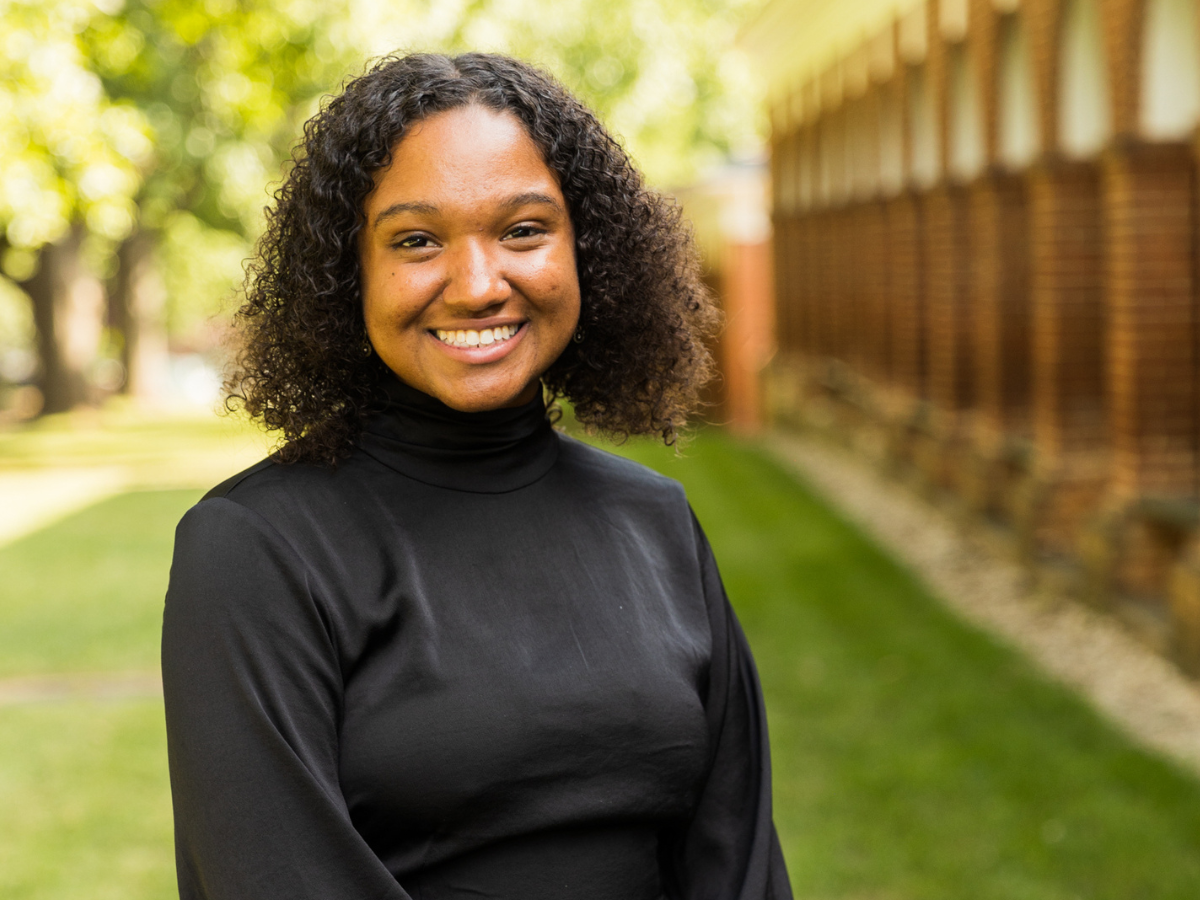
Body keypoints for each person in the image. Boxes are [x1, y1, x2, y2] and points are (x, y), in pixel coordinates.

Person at [162, 52, 792, 900]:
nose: (477, 285)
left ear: (587, 249)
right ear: (350, 274)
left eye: (523, 230)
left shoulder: (656, 522)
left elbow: (738, 859)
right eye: (417, 240)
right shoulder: (256, 550)